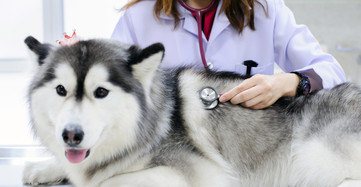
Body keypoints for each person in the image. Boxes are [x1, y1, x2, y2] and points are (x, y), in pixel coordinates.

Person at [111, 0, 346, 109]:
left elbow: (332, 72)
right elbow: (113, 89)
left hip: (248, 149)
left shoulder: (266, 10)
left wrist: (288, 82)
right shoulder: (137, 18)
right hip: (171, 151)